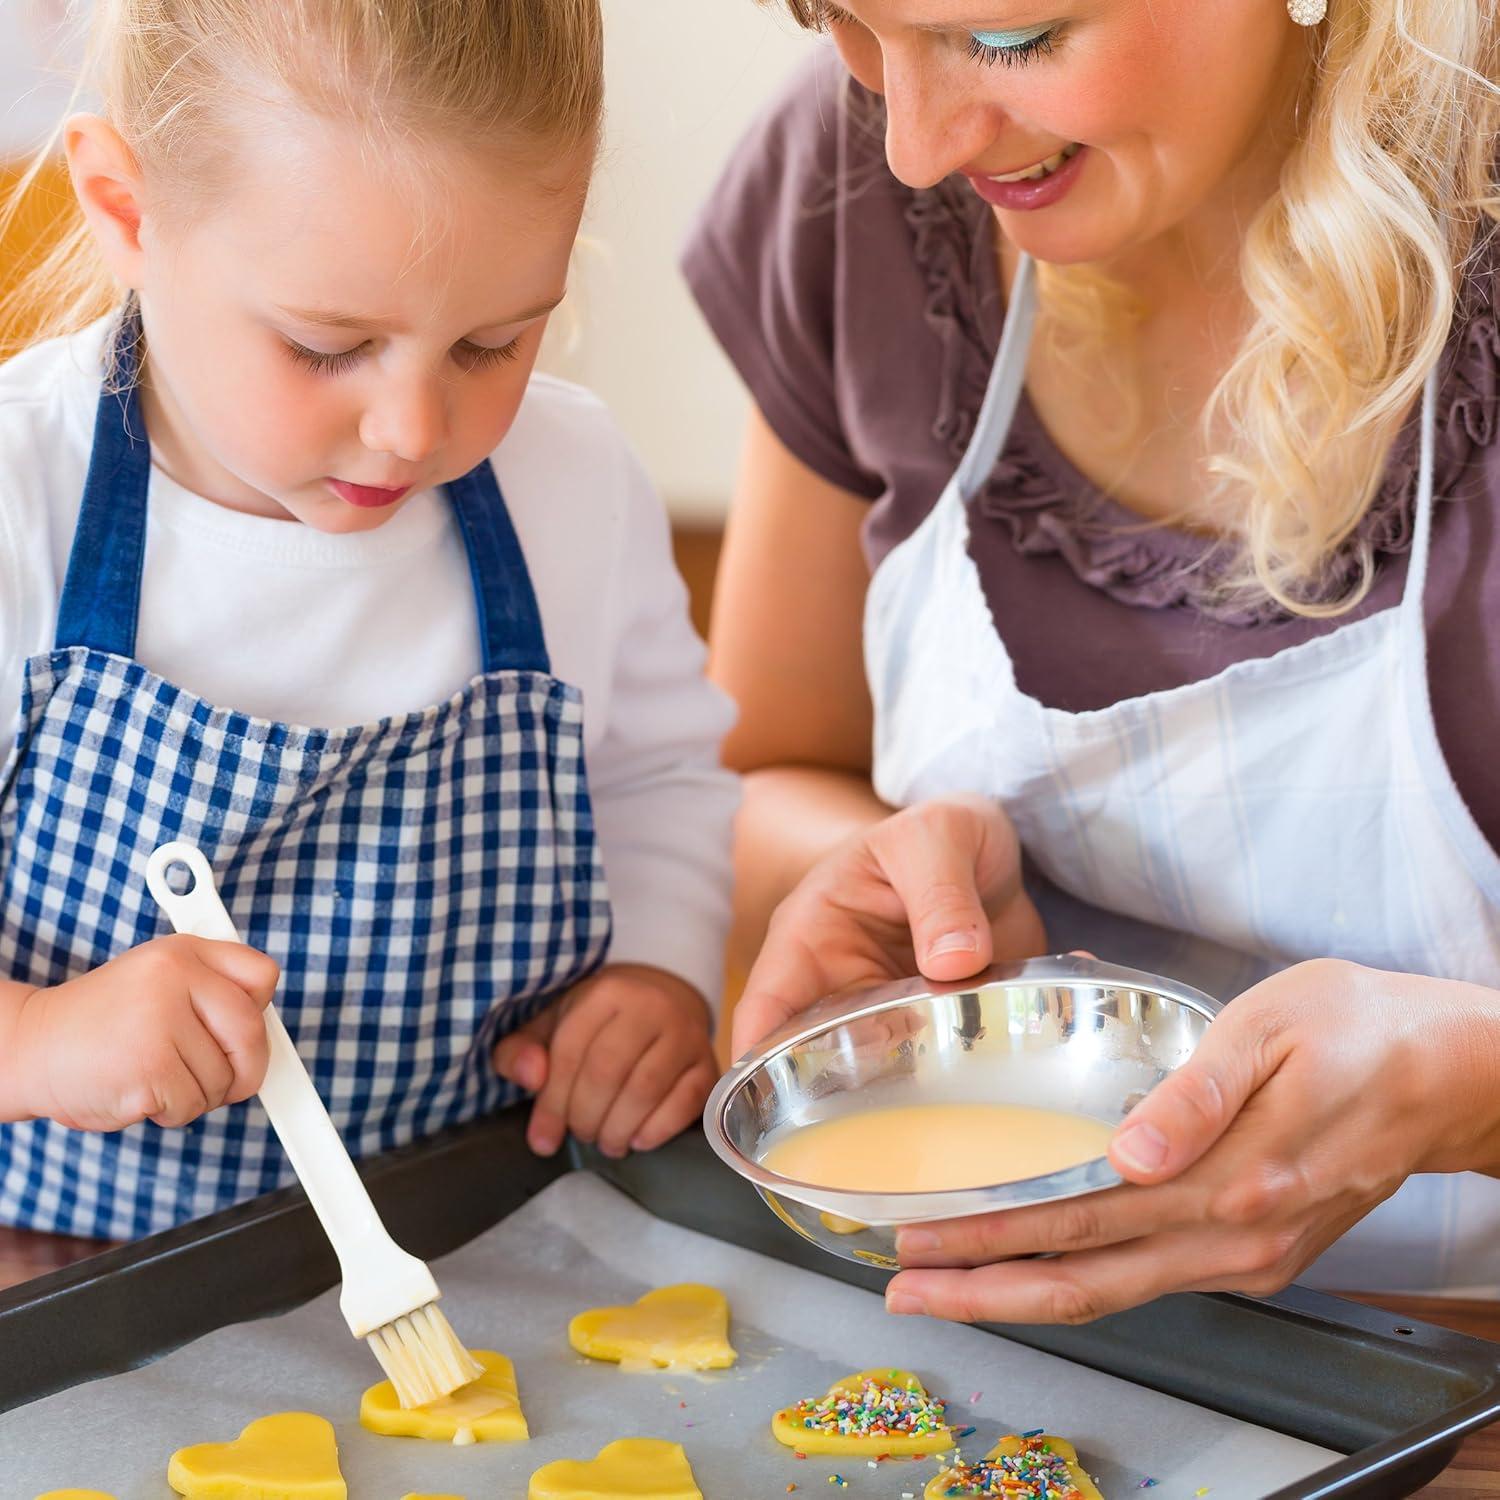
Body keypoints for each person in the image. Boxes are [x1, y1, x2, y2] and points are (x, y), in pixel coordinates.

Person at [685, 0, 1500, 1309]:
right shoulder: (851, 183)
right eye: (837, 16)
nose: (915, 139)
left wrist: (1462, 1089)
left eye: (1010, 41)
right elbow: (768, 772)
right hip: (1022, 1375)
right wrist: (866, 888)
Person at [0, 0, 737, 1243]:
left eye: (492, 343)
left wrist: (657, 970)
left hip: (484, 1242)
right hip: (65, 1279)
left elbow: (658, 775)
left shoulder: (571, 484)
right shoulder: (23, 492)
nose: (411, 428)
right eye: (326, 346)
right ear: (127, 209)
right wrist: (36, 1041)